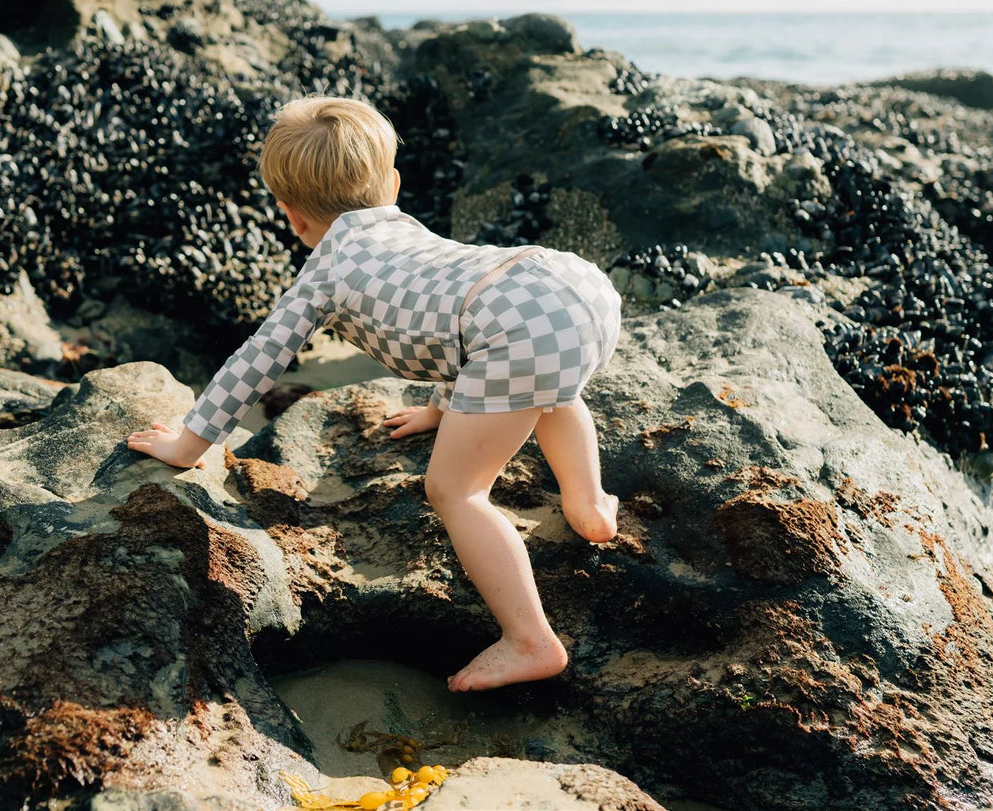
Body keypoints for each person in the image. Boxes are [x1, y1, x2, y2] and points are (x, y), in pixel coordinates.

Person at [127, 96, 622, 692]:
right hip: (572, 284)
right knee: (551, 388)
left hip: (515, 327)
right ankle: (589, 503)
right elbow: (451, 315)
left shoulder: (326, 272)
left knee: (455, 489)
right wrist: (445, 408)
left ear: (292, 217)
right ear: (391, 184)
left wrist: (189, 442)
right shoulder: (404, 230)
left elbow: (257, 360)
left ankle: (530, 641)